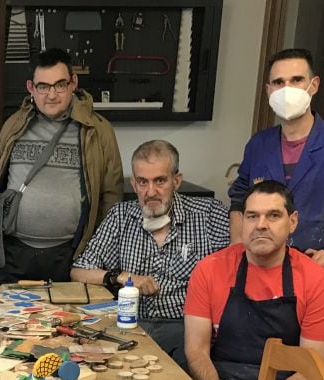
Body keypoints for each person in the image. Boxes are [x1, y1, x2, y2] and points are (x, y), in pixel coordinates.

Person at [0, 47, 123, 284]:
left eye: (60, 84)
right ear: (30, 88)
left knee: (67, 320)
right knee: (3, 318)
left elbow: (111, 196)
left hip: (71, 254)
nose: (52, 95)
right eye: (43, 86)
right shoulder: (15, 125)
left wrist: (99, 253)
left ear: (73, 83)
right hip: (12, 252)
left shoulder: (98, 130)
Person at [185, 181, 324, 380]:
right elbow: (195, 349)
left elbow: (314, 369)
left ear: (292, 222)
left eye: (273, 215)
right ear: (242, 221)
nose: (261, 225)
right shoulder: (210, 269)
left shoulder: (315, 279)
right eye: (252, 216)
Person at [228, 48, 324, 270]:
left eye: (296, 80)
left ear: (314, 85)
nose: (287, 90)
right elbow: (239, 200)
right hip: (262, 269)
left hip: (319, 270)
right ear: (268, 90)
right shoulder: (259, 145)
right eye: (278, 82)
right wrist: (238, 244)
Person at [71, 140, 228, 363]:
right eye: (143, 182)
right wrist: (121, 277)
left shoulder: (210, 214)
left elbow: (235, 273)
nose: (150, 192)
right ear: (134, 184)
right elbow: (79, 271)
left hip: (186, 327)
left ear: (177, 181)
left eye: (160, 181)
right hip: (132, 324)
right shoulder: (121, 216)